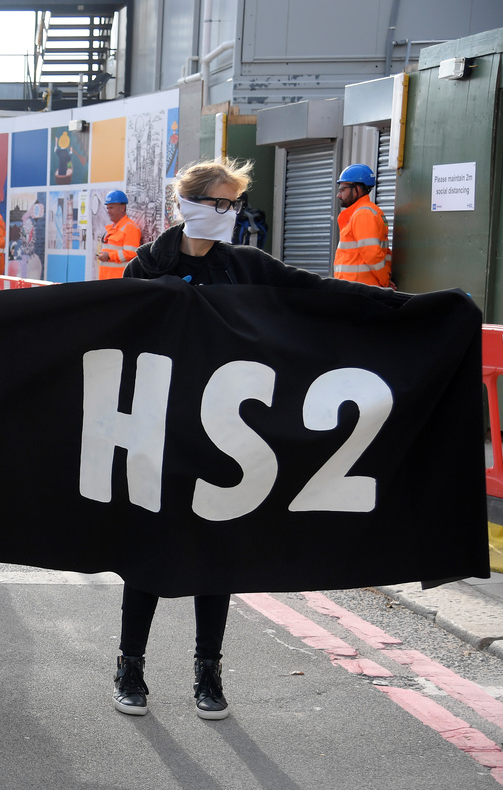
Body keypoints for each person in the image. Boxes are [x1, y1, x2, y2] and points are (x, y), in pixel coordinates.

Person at [117, 158, 409, 721]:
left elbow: (317, 293)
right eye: (218, 203)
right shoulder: (145, 267)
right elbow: (114, 337)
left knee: (216, 554)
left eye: (234, 204)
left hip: (225, 438)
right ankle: (131, 666)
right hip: (160, 432)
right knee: (149, 550)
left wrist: (403, 306)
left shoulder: (245, 266)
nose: (227, 213)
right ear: (188, 204)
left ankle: (208, 671)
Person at [333, 164, 392, 288]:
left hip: (359, 290)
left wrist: (385, 282)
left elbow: (372, 255)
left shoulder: (363, 214)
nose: (339, 195)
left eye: (342, 190)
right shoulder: (366, 212)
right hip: (357, 288)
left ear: (357, 189)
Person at [96, 190, 142, 280]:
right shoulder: (112, 228)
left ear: (122, 208)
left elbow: (131, 253)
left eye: (111, 208)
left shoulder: (130, 228)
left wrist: (109, 256)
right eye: (108, 208)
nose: (108, 211)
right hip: (107, 280)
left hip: (119, 280)